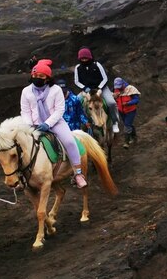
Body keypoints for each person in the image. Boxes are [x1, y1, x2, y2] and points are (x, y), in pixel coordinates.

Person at [22, 59, 87, 189]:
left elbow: (59, 110)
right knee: (20, 145)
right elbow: (25, 110)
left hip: (55, 122)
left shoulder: (56, 90)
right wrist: (30, 125)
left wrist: (47, 123)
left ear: (47, 78)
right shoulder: (26, 91)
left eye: (41, 76)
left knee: (69, 141)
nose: (37, 78)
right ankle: (20, 176)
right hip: (33, 125)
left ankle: (78, 173)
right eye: (35, 76)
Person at [73, 47, 120, 134]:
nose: (84, 60)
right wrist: (85, 88)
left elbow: (105, 78)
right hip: (87, 90)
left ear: (90, 57)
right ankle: (79, 124)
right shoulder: (78, 67)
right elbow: (76, 81)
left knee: (111, 102)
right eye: (82, 58)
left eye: (85, 58)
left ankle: (114, 122)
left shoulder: (97, 65)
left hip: (101, 88)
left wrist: (99, 89)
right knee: (75, 103)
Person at [113, 77, 140, 148]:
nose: (118, 88)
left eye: (120, 87)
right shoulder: (116, 90)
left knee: (127, 125)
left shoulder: (130, 88)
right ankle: (134, 137)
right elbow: (114, 99)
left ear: (123, 84)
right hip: (121, 111)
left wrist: (128, 103)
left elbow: (136, 100)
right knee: (128, 124)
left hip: (130, 110)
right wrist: (114, 96)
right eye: (117, 87)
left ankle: (126, 142)